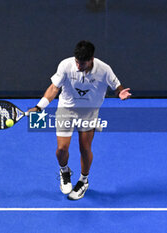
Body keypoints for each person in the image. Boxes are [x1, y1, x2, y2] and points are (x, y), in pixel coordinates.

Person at [28, 40, 131, 200]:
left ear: (91, 59)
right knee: (61, 149)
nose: (78, 66)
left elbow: (116, 85)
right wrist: (39, 107)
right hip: (66, 109)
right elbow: (54, 87)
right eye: (77, 62)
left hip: (89, 113)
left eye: (82, 63)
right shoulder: (65, 65)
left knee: (84, 148)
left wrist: (120, 93)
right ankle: (64, 171)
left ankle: (83, 180)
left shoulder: (104, 69)